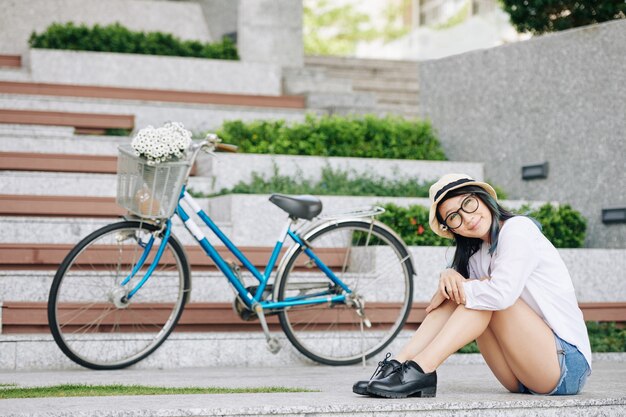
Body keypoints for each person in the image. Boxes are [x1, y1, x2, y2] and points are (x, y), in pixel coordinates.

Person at [353, 173, 592, 398]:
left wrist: (456, 284)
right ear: (451, 228)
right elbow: (461, 295)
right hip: (519, 374)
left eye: (468, 203)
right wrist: (449, 276)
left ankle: (420, 369)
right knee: (466, 293)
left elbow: (501, 295)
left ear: (482, 198)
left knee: (483, 297)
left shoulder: (518, 229)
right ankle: (398, 365)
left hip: (565, 366)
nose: (467, 218)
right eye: (454, 217)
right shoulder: (476, 254)